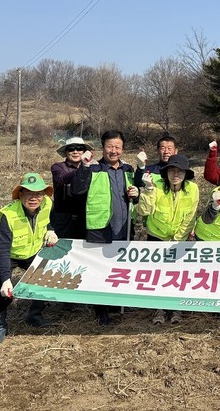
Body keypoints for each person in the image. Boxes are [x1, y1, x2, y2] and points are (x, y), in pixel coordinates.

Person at [72, 129, 138, 325]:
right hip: (101, 227)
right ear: (103, 148)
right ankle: (101, 310)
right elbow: (77, 189)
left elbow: (134, 195)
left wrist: (137, 194)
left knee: (120, 267)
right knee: (101, 269)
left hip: (124, 226)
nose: (114, 150)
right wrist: (83, 166)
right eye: (110, 146)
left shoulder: (128, 170)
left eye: (118, 147)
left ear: (123, 148)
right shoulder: (93, 169)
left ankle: (118, 302)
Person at [0, 173, 58, 346]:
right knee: (1, 291)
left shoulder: (48, 204)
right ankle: (0, 325)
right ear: (20, 195)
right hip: (5, 254)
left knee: (45, 278)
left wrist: (51, 230)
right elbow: (3, 249)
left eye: (38, 194)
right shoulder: (9, 215)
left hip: (31, 252)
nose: (34, 198)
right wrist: (5, 279)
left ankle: (35, 315)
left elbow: (50, 221)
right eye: (28, 193)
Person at [137, 153, 200, 324]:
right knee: (157, 274)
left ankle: (177, 308)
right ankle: (159, 308)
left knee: (178, 275)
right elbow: (143, 211)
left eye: (180, 171)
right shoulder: (155, 185)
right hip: (156, 237)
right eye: (172, 171)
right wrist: (148, 190)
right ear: (166, 172)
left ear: (186, 173)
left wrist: (178, 240)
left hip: (179, 240)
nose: (176, 175)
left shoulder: (193, 189)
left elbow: (191, 217)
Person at [50, 136, 91, 239]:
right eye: (71, 149)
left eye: (79, 148)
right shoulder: (57, 167)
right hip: (63, 218)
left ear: (84, 151)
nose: (75, 152)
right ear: (66, 152)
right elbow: (63, 178)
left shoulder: (92, 167)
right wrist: (83, 168)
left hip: (85, 217)